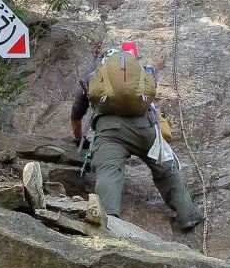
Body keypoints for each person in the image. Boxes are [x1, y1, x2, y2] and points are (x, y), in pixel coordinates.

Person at [71, 44, 204, 232]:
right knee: (165, 169)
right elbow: (150, 94)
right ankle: (187, 215)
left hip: (110, 130)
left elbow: (76, 115)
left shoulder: (93, 77)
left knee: (109, 171)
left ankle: (108, 222)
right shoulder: (143, 72)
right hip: (144, 127)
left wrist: (79, 140)